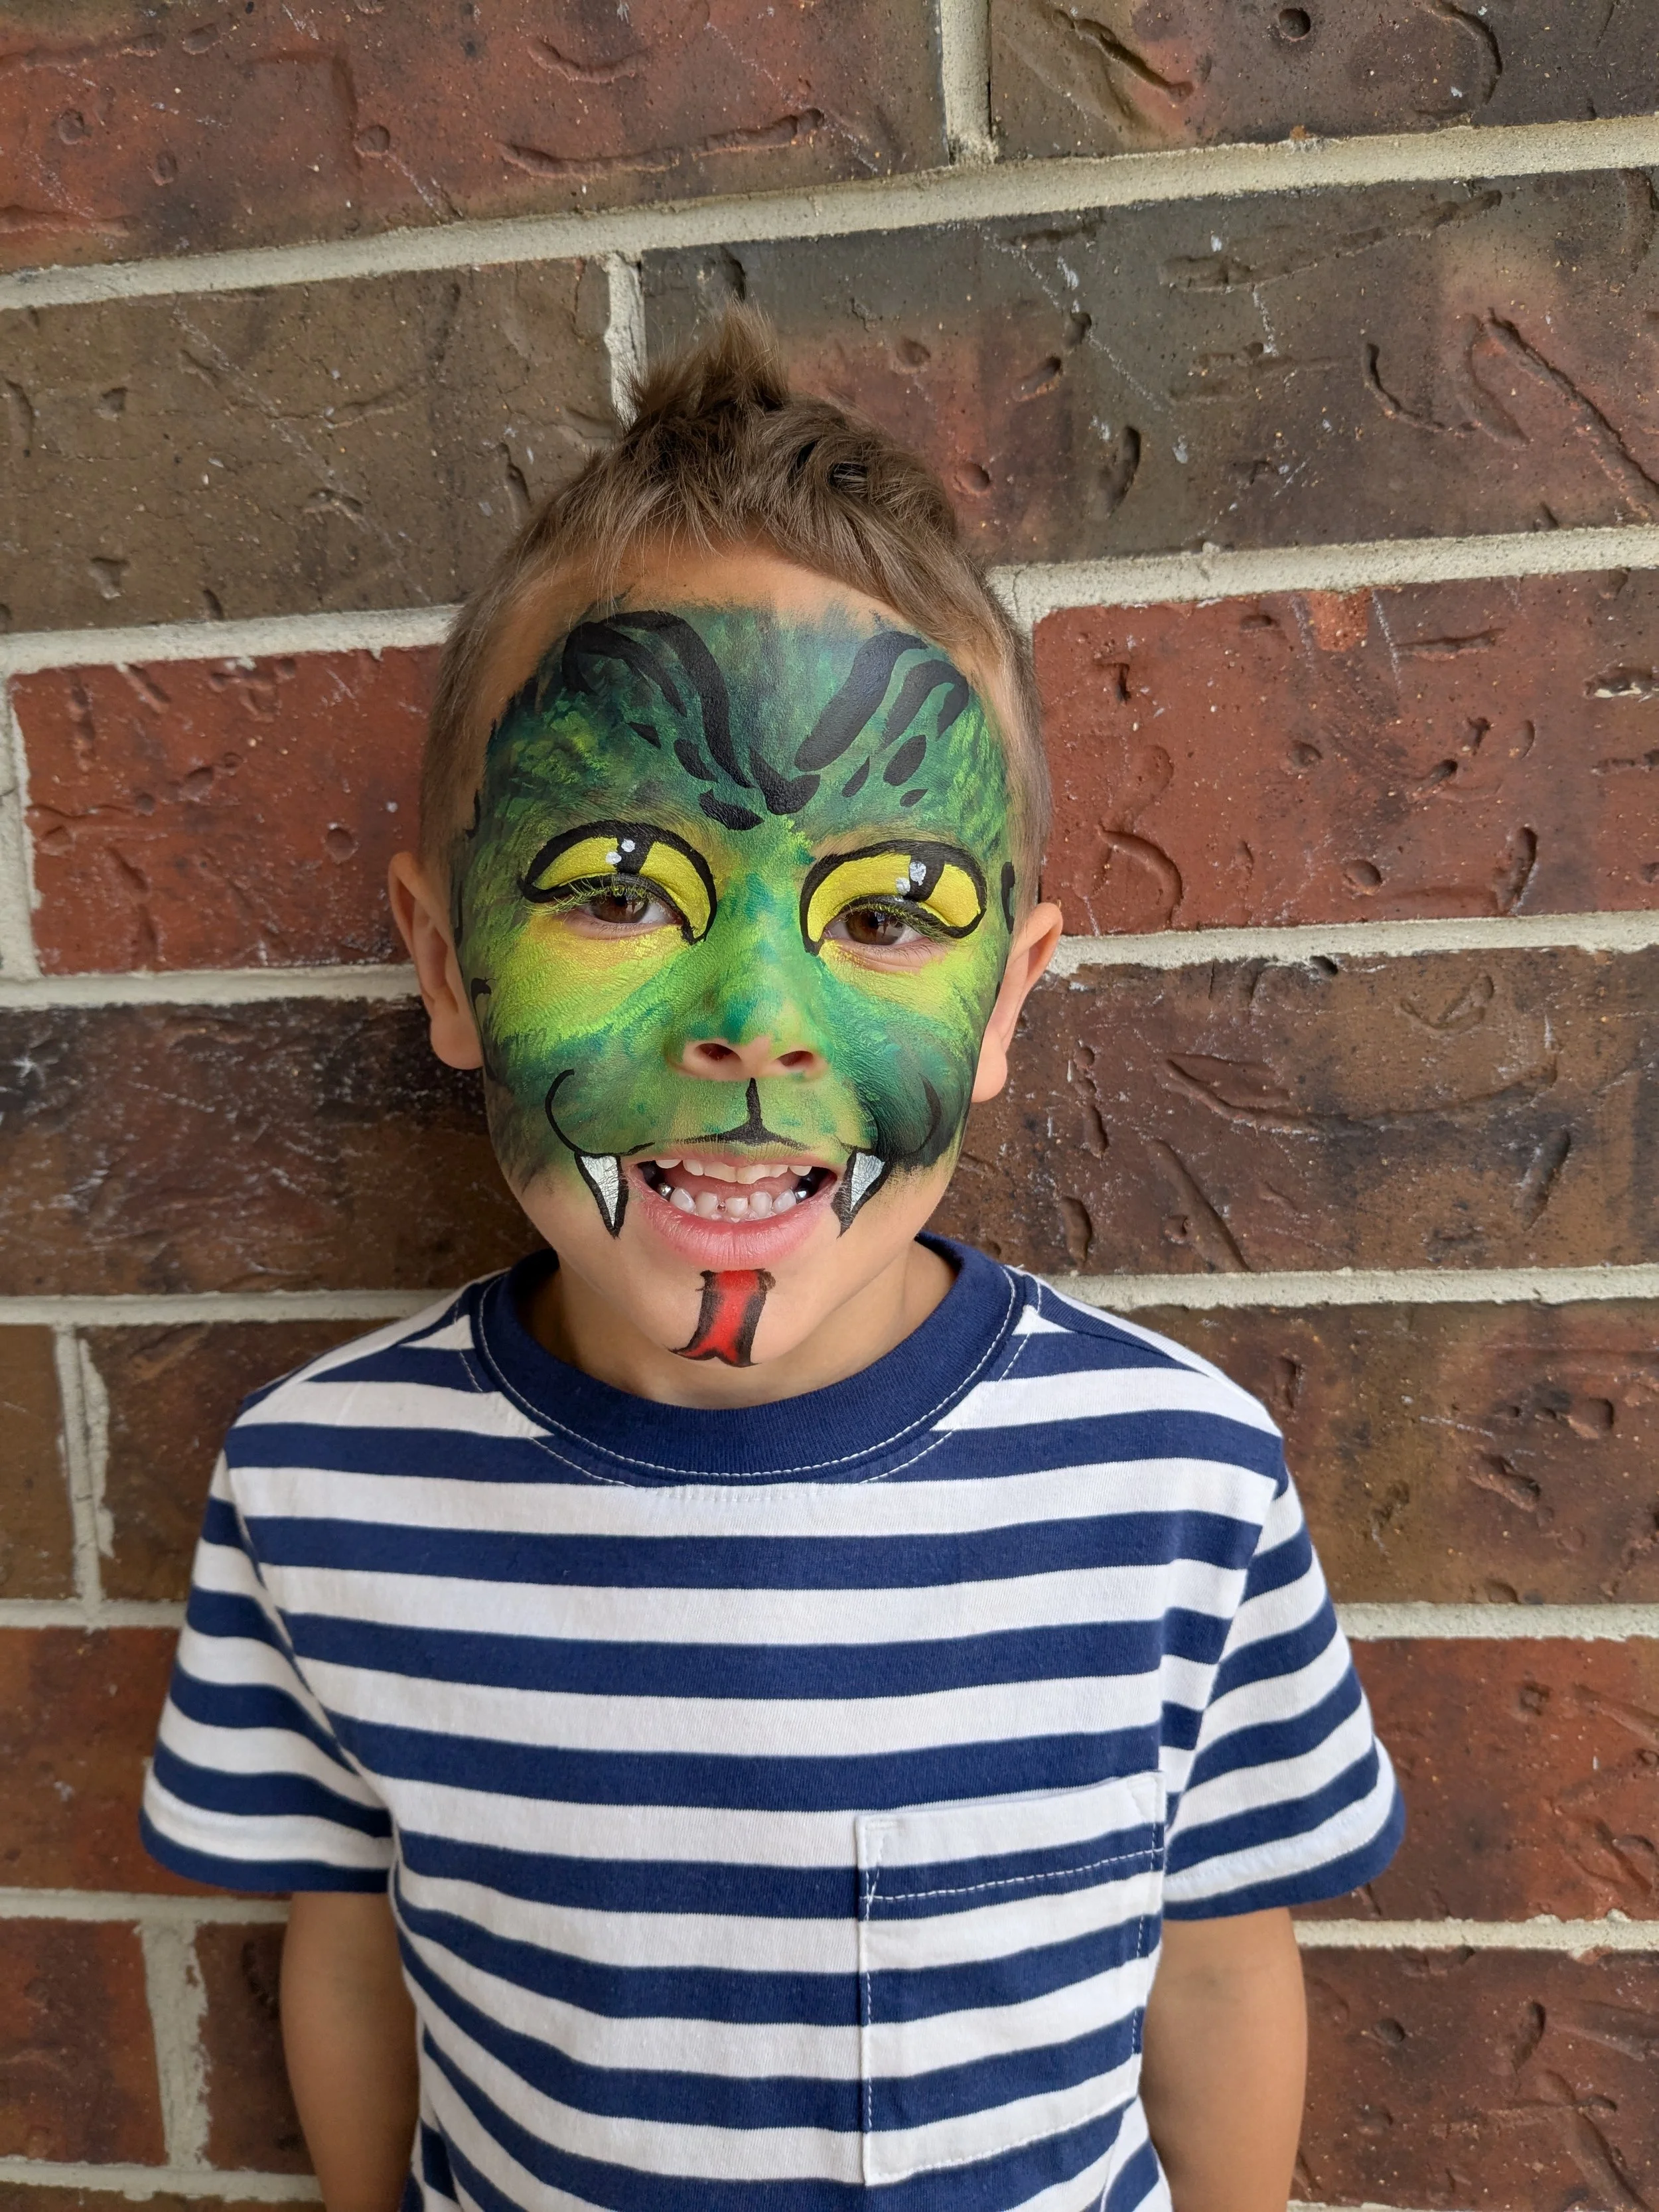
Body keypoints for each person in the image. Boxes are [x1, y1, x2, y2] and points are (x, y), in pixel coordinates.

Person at [141, 309, 1402, 2212]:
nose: (753, 1023)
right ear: (440, 960)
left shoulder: (1176, 1484)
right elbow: (345, 1940)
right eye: (620, 889)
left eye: (888, 910)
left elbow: (1217, 1958)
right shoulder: (320, 1490)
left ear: (1007, 1002)